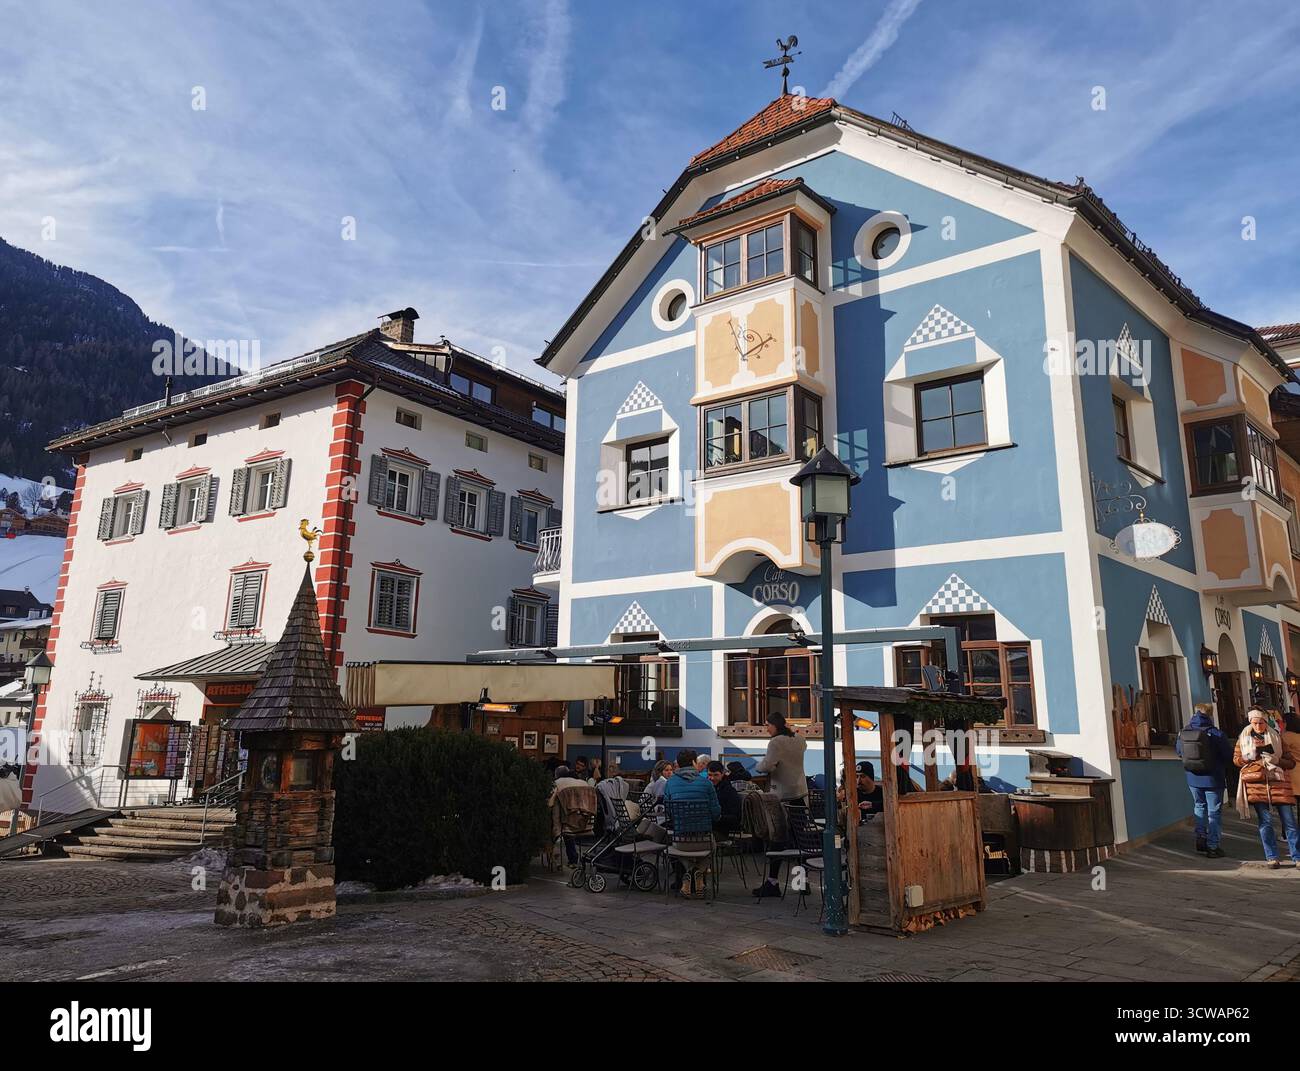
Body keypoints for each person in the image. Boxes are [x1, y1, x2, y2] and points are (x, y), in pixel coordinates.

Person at [1234, 708, 1299, 868]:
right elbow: (1236, 760)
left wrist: (1277, 760)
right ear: (1250, 722)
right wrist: (1246, 758)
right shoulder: (1243, 738)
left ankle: (1297, 857)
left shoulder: (1276, 737)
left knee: (1289, 821)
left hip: (1279, 783)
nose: (1258, 726)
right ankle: (1272, 857)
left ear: (1266, 722)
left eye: (1261, 723)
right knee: (1265, 822)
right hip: (1257, 785)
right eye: (1255, 723)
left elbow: (1290, 762)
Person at [753, 712, 808, 899]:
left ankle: (772, 882)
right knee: (801, 839)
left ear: (775, 725)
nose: (766, 728)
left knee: (777, 838)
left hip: (782, 796)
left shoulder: (775, 742)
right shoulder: (800, 739)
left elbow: (767, 766)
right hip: (800, 793)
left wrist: (758, 766)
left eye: (768, 725)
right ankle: (802, 882)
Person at [1176, 702, 1233, 857]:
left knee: (1199, 807)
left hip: (1193, 777)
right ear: (1210, 714)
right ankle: (1213, 846)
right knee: (1214, 812)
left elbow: (1179, 751)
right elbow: (1228, 755)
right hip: (1213, 778)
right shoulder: (1216, 733)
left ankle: (1200, 836)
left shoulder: (1184, 732)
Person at [662, 748, 720, 897]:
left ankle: (688, 871)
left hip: (681, 841)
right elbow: (716, 814)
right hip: (703, 840)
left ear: (679, 764)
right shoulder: (706, 784)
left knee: (677, 849)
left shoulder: (670, 783)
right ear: (694, 763)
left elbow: (668, 812)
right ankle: (699, 871)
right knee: (713, 847)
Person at [706, 760, 742, 832]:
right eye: (710, 775)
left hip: (721, 829)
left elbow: (735, 817)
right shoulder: (708, 788)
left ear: (722, 774)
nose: (712, 778)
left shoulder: (730, 791)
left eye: (716, 775)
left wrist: (717, 818)